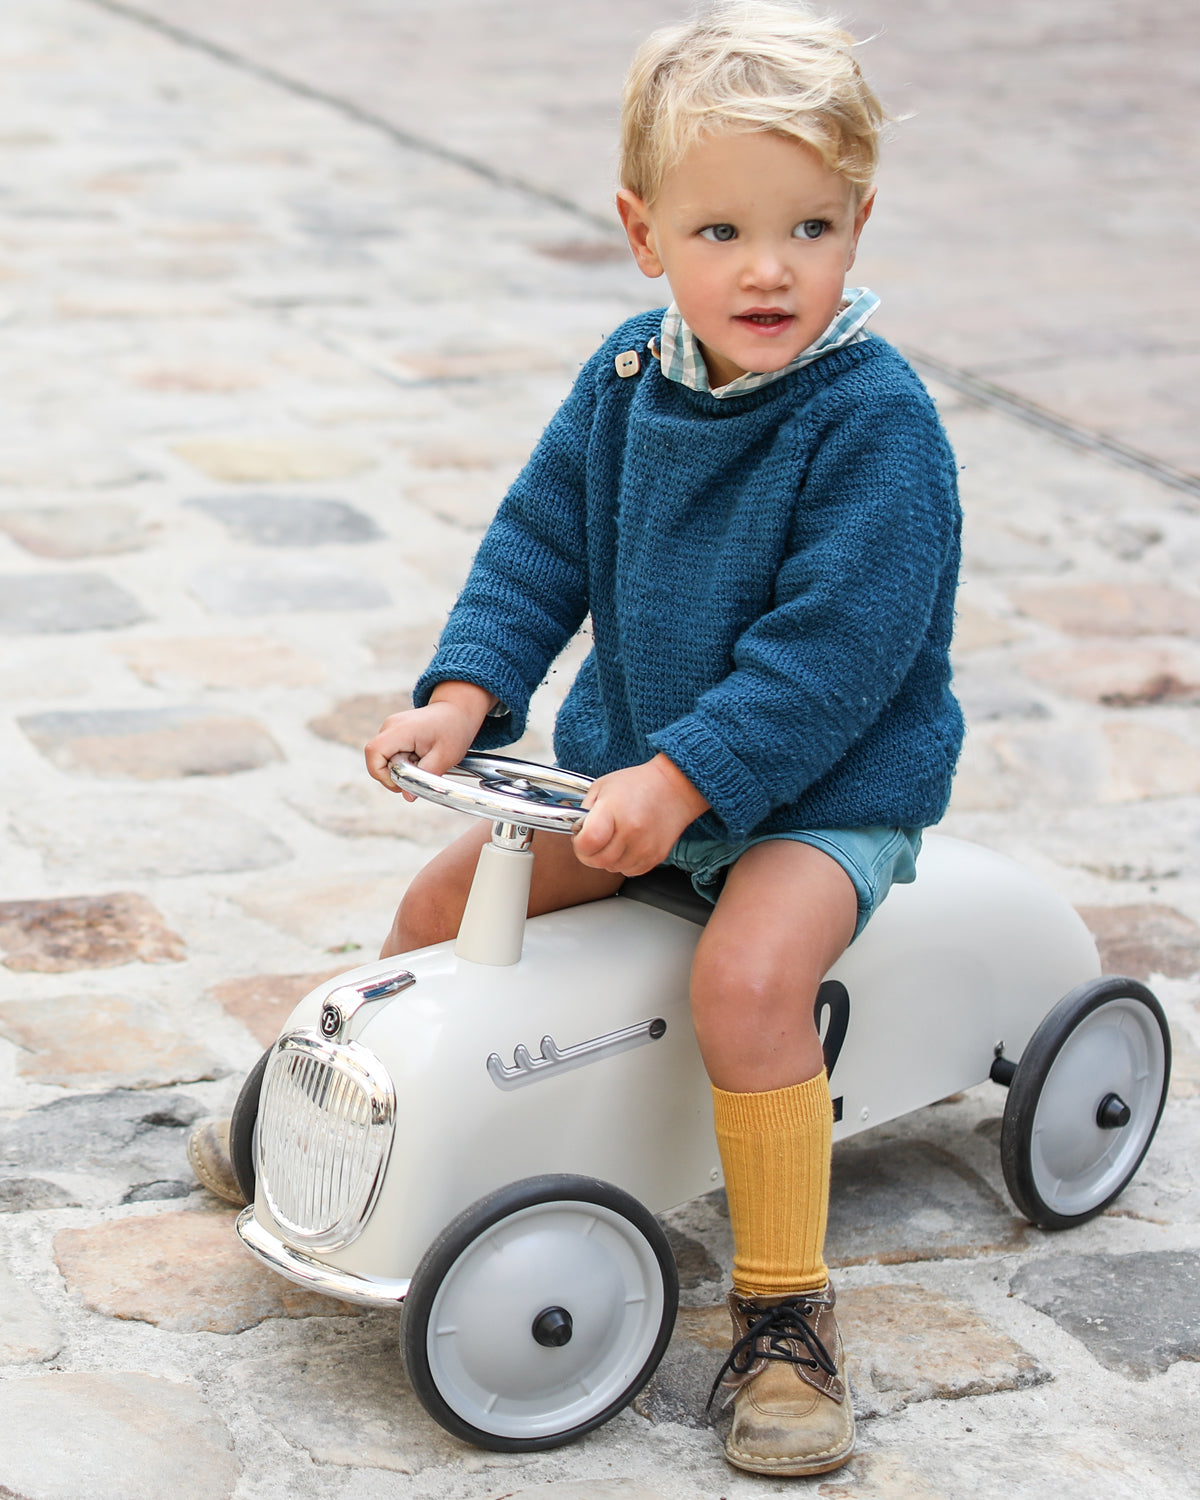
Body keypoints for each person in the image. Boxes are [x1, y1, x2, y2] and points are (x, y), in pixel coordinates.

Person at [191, 0, 963, 1477]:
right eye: (723, 228)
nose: (767, 266)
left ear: (858, 226)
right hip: (634, 773)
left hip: (821, 790)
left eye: (808, 227)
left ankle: (786, 1316)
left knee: (747, 978)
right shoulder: (625, 381)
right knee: (440, 906)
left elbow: (833, 657)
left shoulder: (874, 424)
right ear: (643, 233)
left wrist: (685, 780)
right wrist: (470, 689)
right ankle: (342, 1135)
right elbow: (542, 542)